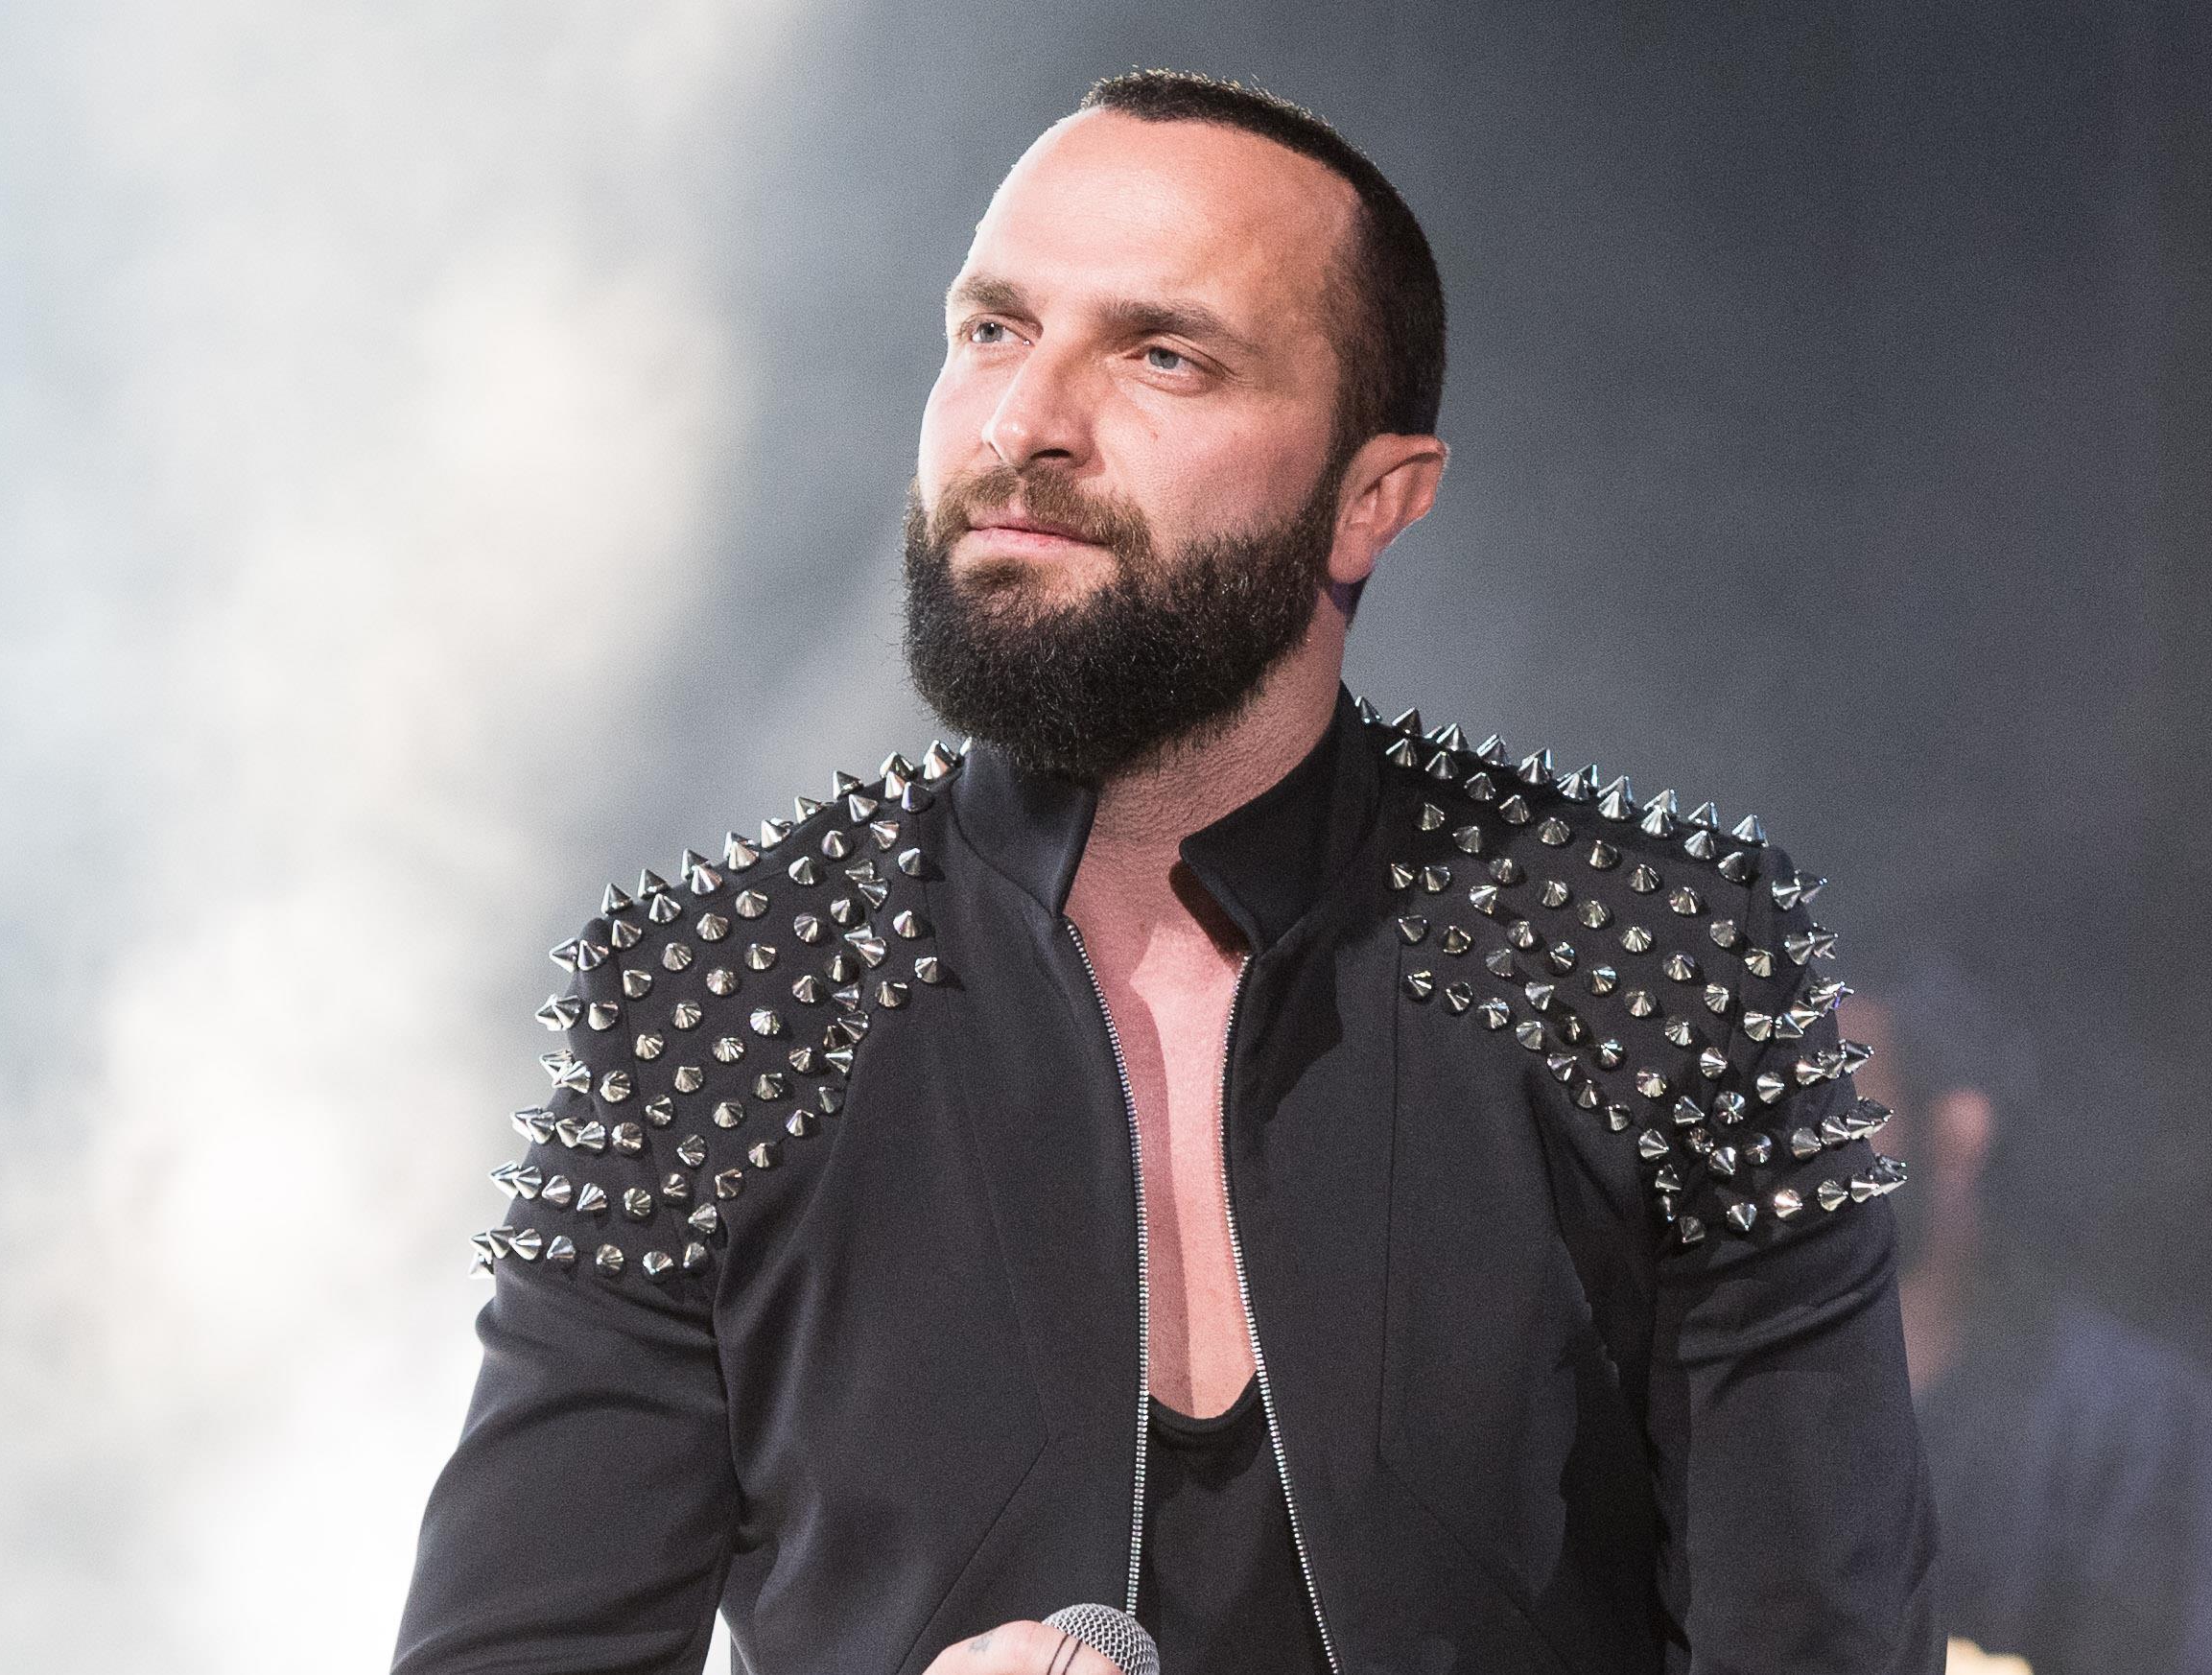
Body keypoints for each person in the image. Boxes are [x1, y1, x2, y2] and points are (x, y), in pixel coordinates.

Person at [394, 71, 1939, 1675]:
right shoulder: (718, 1005)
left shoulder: (1663, 965)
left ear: (1372, 500)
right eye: (993, 330)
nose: (1024, 423)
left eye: (1162, 356)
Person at [1846, 971, 2212, 1675]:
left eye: (1837, 1098)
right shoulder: (1734, 1410)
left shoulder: (2134, 1425)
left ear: (1955, 1132)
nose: (1789, 1148)